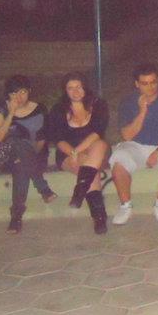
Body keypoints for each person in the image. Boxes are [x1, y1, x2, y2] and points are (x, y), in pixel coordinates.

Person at [110, 63, 158, 225]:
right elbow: (127, 135)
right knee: (119, 160)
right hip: (135, 145)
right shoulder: (128, 102)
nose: (150, 87)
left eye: (153, 82)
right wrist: (142, 110)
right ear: (137, 84)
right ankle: (126, 206)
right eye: (145, 83)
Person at [0, 75, 56, 233]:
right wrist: (11, 113)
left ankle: (16, 217)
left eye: (22, 92)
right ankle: (42, 187)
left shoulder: (39, 109)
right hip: (6, 157)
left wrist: (29, 157)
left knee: (21, 166)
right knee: (16, 141)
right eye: (14, 94)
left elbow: (41, 140)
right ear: (8, 94)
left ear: (29, 91)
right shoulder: (1, 108)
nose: (19, 97)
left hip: (34, 157)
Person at [47, 73, 111, 234]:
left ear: (85, 87)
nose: (75, 91)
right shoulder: (58, 109)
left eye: (79, 87)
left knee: (99, 145)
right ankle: (99, 217)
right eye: (70, 88)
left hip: (95, 150)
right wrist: (73, 152)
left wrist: (78, 150)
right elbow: (58, 139)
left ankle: (79, 193)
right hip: (68, 153)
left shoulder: (98, 104)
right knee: (91, 171)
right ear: (65, 91)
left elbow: (97, 132)